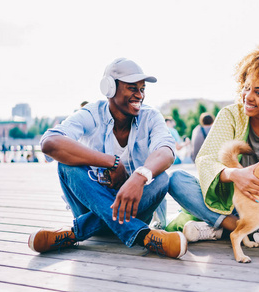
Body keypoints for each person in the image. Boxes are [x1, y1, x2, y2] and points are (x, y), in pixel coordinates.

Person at [27, 58, 187, 259]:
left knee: (162, 178)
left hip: (135, 207)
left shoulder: (151, 116)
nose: (140, 95)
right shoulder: (91, 113)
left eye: (142, 89)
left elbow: (166, 150)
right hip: (90, 205)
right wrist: (111, 161)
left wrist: (138, 177)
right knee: (66, 166)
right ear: (110, 88)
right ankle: (144, 236)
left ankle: (74, 233)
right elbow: (50, 143)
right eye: (132, 88)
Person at [167, 44, 259, 248]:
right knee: (176, 180)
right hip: (229, 204)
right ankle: (245, 229)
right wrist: (235, 176)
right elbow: (205, 159)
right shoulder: (230, 115)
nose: (248, 97)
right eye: (246, 87)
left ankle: (217, 228)